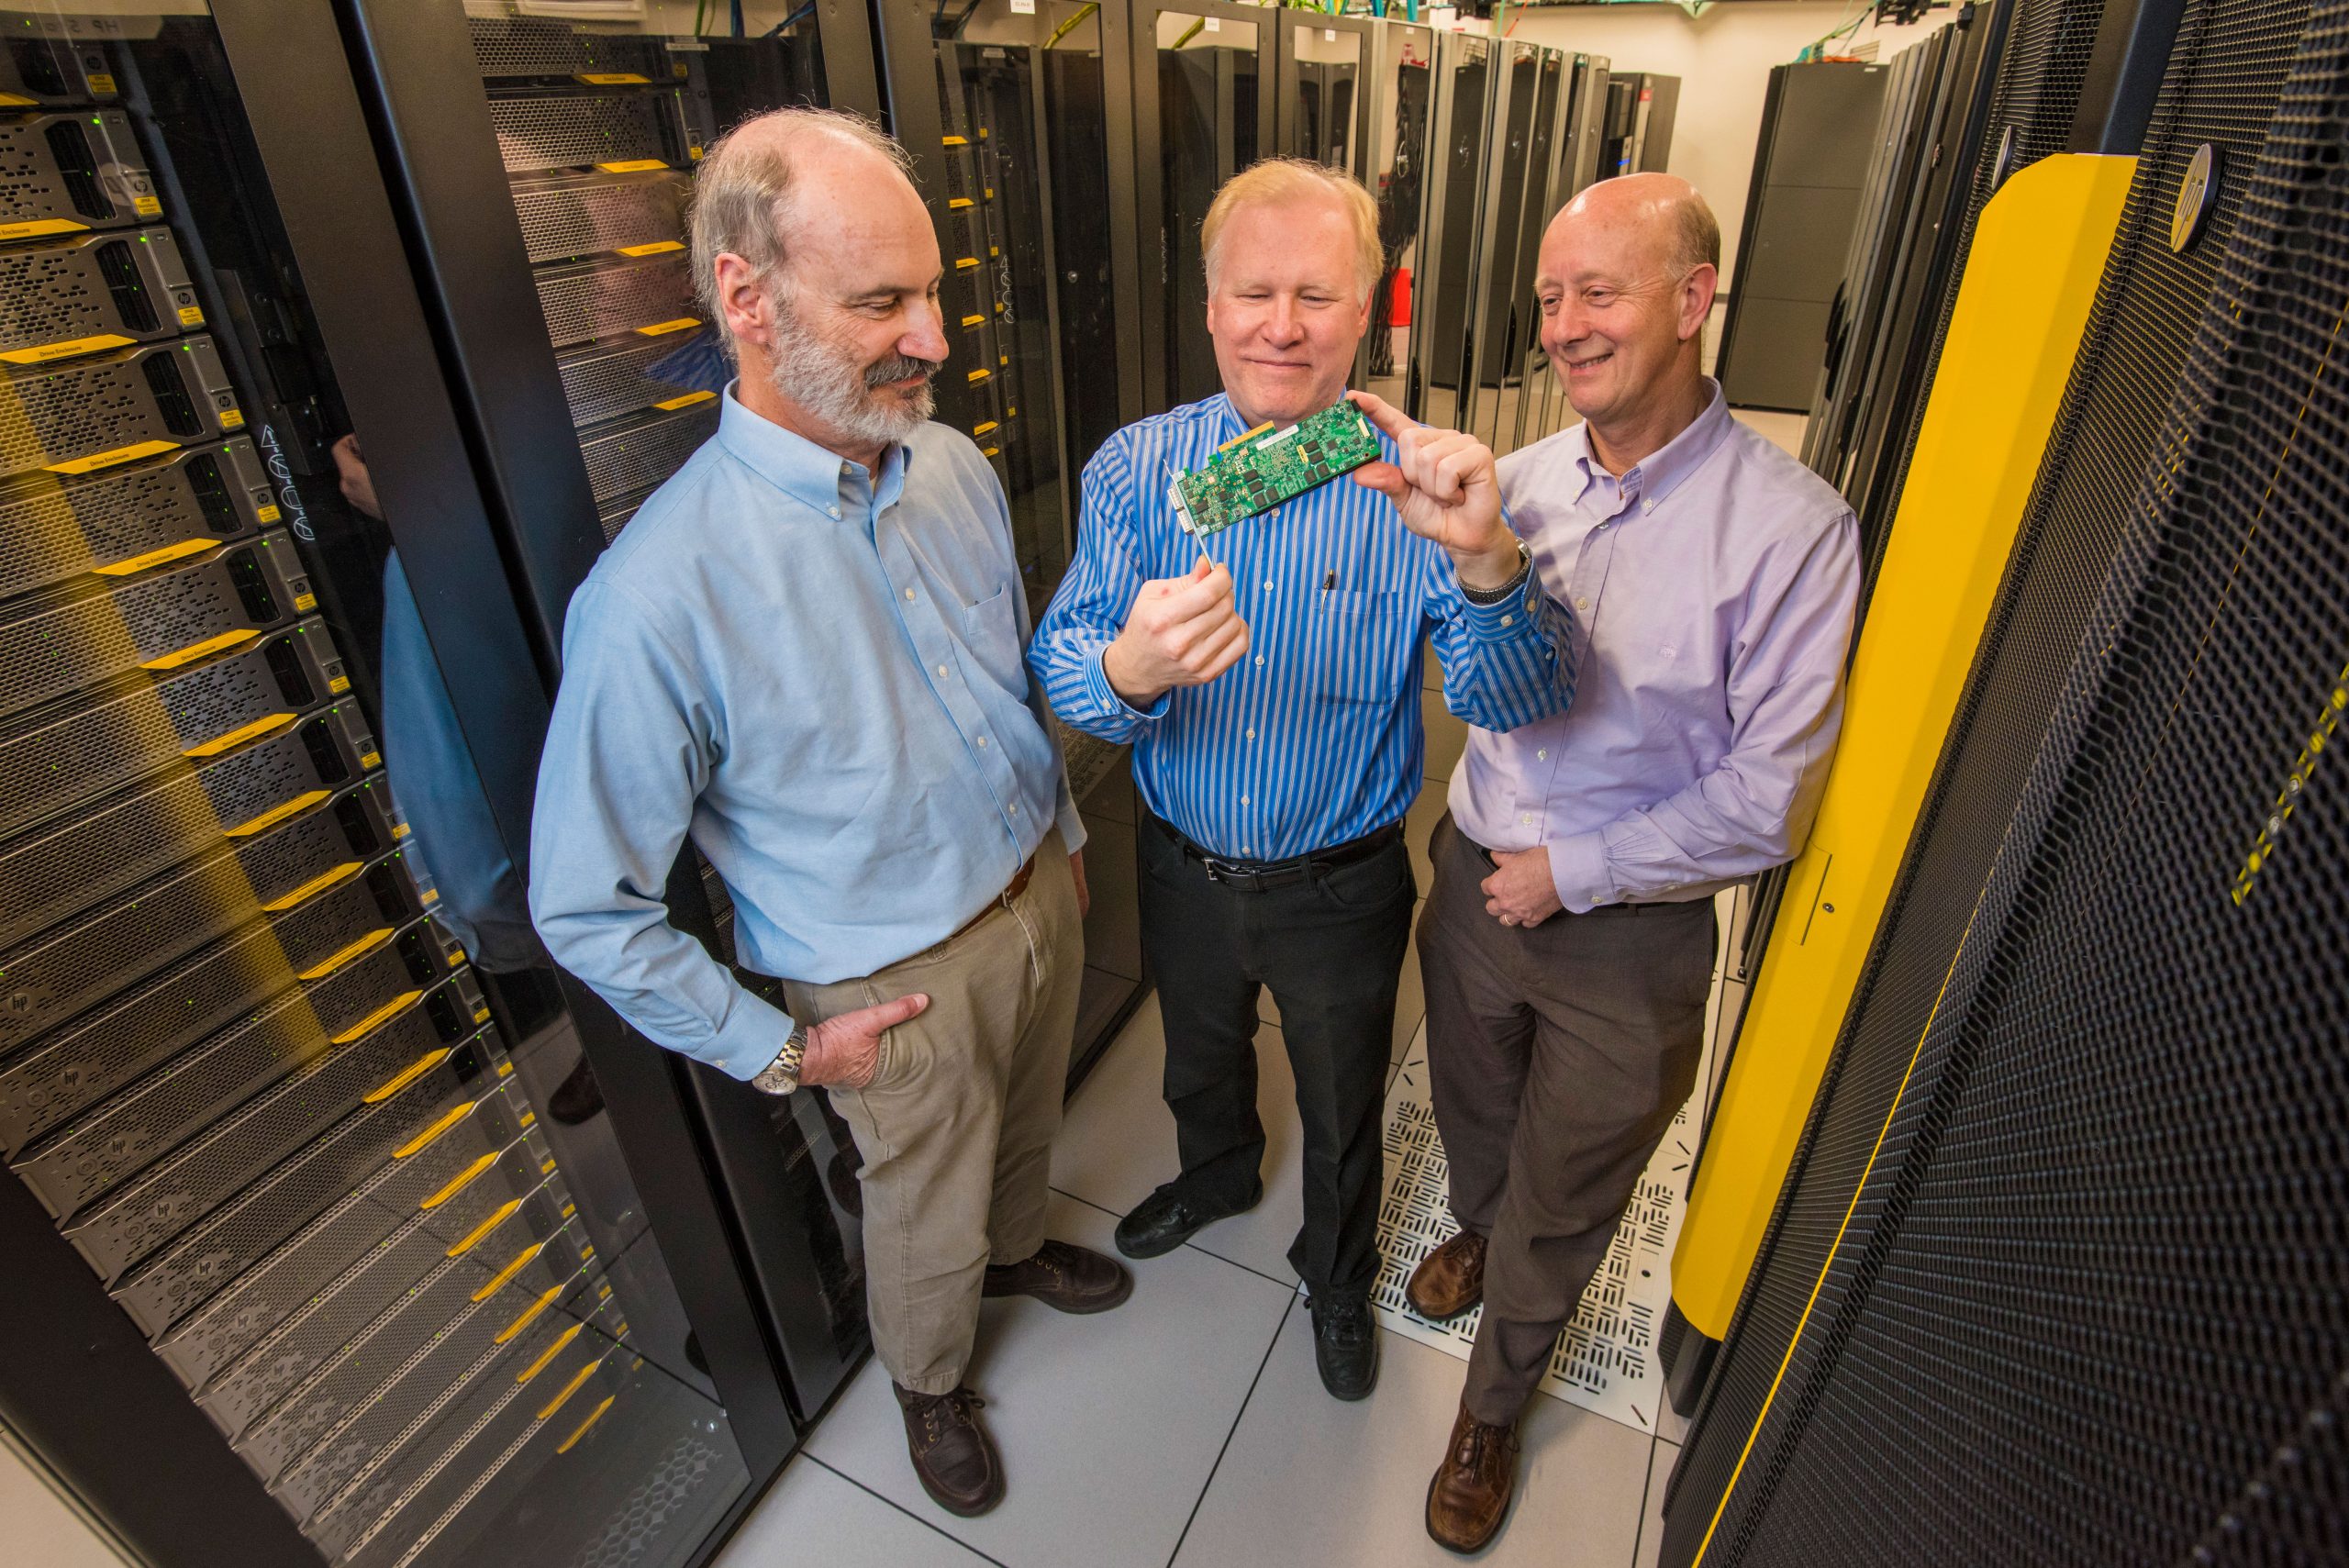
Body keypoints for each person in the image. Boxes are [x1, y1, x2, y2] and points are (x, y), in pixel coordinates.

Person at [527, 108, 1130, 1521]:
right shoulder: (655, 600)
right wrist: (787, 1048)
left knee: (1025, 1132)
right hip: (887, 988)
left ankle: (1017, 1251)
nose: (935, 339)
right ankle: (929, 1378)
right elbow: (584, 905)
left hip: (1033, 896)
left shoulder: (952, 468)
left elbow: (1004, 687)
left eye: (934, 295)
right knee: (922, 1211)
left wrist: (1064, 846)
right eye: (883, 303)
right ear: (747, 298)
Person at [1030, 158, 1575, 1403]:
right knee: (1197, 1055)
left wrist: (1487, 561)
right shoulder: (1138, 468)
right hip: (1179, 861)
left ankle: (1336, 1274)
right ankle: (1218, 1172)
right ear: (1210, 305)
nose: (1281, 325)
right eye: (1254, 292)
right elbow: (1063, 661)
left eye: (1316, 296)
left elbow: (1517, 701)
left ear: (1368, 309)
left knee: (1342, 1102)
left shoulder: (1417, 479)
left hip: (1340, 885)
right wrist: (1124, 669)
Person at [1409, 173, 1861, 1551]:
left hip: (1631, 934)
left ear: (1693, 298)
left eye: (1598, 292)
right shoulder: (1518, 484)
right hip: (1473, 879)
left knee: (1572, 1185)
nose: (1564, 326)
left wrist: (1577, 870)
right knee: (1471, 1113)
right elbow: (1465, 663)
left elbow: (1769, 801)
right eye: (1551, 297)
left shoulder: (1794, 531)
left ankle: (1494, 1402)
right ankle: (1479, 1227)